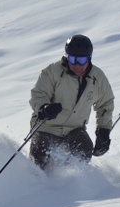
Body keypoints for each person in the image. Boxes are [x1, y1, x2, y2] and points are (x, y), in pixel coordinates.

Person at [28, 34, 115, 170]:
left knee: (85, 149)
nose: (76, 65)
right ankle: (38, 185)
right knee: (39, 157)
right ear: (67, 56)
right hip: (46, 128)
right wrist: (44, 108)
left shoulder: (98, 78)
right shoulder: (52, 72)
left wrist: (103, 131)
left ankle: (71, 185)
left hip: (74, 129)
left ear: (89, 59)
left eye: (81, 60)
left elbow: (105, 103)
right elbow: (38, 94)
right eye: (73, 59)